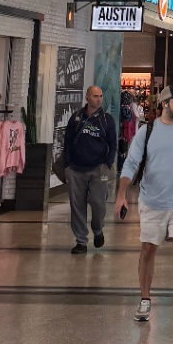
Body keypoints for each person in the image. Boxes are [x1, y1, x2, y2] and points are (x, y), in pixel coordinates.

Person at [115, 84, 173, 329]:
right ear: (164, 104)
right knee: (148, 250)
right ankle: (145, 299)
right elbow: (131, 164)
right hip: (152, 202)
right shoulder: (147, 132)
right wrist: (121, 195)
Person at [57, 83, 116, 255]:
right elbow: (67, 142)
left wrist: (108, 164)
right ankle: (81, 241)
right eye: (95, 96)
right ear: (87, 98)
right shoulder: (76, 118)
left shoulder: (107, 120)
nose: (99, 99)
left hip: (99, 169)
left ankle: (98, 230)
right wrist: (67, 165)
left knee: (98, 203)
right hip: (76, 169)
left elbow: (112, 144)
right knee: (77, 206)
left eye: (101, 96)